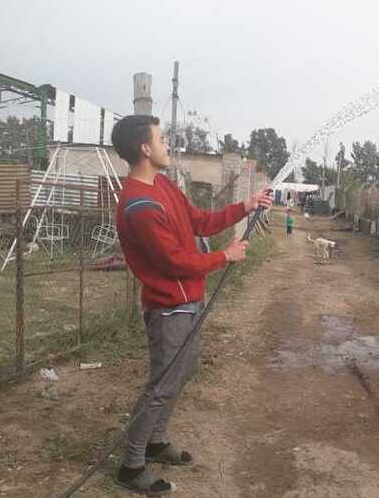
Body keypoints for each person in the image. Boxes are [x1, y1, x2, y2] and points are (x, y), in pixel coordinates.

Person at [111, 115, 272, 495]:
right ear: (145, 149)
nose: (167, 144)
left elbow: (198, 221)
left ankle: (155, 441)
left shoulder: (163, 185)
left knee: (181, 374)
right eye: (162, 138)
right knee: (161, 385)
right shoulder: (139, 204)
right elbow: (174, 262)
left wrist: (246, 205)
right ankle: (132, 465)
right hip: (168, 308)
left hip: (188, 302)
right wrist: (225, 257)